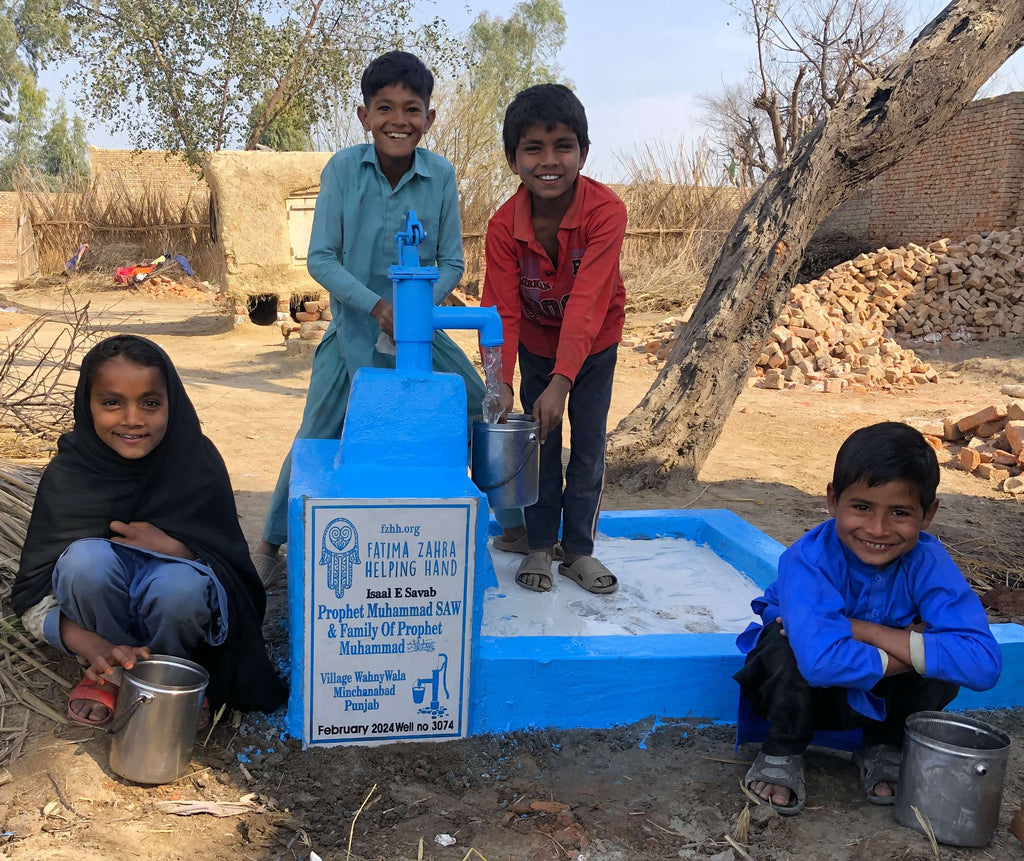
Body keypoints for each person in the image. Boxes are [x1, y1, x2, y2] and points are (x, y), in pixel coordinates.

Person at [254, 50, 525, 578]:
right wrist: (377, 306)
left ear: (429, 117)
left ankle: (513, 525)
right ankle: (268, 546)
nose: (398, 121)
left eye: (411, 109)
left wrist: (414, 308)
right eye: (385, 108)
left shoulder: (440, 175)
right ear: (364, 116)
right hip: (351, 330)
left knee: (479, 408)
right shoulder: (343, 169)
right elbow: (321, 258)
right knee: (319, 430)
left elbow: (452, 263)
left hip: (419, 332)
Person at [13, 335, 287, 728]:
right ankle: (111, 673)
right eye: (112, 403)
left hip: (178, 615)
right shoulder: (70, 475)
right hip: (101, 629)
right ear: (87, 405)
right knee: (84, 562)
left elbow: (235, 570)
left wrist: (181, 550)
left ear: (173, 403)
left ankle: (172, 675)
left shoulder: (196, 464)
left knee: (177, 587)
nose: (132, 419)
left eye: (151, 403)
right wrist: (95, 646)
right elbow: (33, 595)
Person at [735, 422, 1002, 814]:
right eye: (862, 507)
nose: (878, 529)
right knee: (784, 646)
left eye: (900, 512)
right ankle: (782, 749)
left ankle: (884, 745)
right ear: (833, 500)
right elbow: (820, 664)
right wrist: (913, 647)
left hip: (877, 692)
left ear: (928, 514)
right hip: (807, 695)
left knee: (938, 663)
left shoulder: (929, 562)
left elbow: (984, 665)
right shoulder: (807, 559)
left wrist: (862, 629)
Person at [481, 83, 627, 595]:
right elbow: (501, 310)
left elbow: (588, 302)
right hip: (538, 345)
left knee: (588, 445)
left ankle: (579, 551)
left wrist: (562, 382)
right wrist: (500, 383)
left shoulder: (606, 212)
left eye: (563, 146)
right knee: (539, 443)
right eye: (533, 148)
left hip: (596, 343)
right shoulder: (503, 227)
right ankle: (540, 546)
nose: (549, 160)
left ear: (582, 152)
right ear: (512, 159)